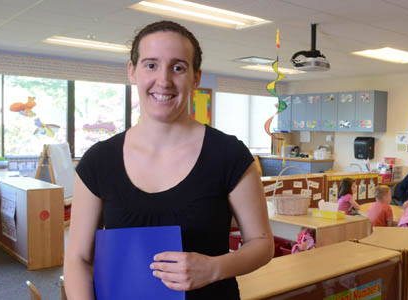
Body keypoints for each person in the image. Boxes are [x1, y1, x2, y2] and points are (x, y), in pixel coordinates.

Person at [64, 21, 274, 300]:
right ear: (132, 72)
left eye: (178, 67)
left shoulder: (229, 154)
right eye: (151, 65)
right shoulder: (99, 161)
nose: (163, 80)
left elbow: (261, 244)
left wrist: (213, 268)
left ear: (195, 78)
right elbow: (78, 258)